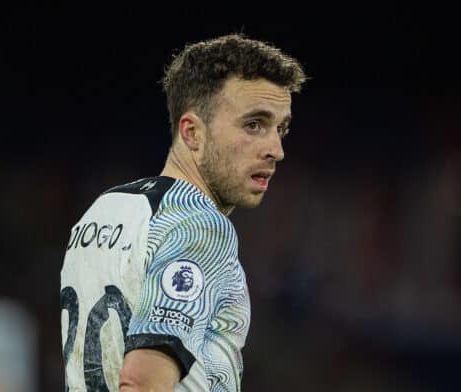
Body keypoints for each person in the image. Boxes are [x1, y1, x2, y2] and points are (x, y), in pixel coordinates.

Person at [60, 33, 306, 391]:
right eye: (254, 125)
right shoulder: (199, 224)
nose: (276, 149)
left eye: (280, 129)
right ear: (192, 132)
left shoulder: (103, 210)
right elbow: (142, 383)